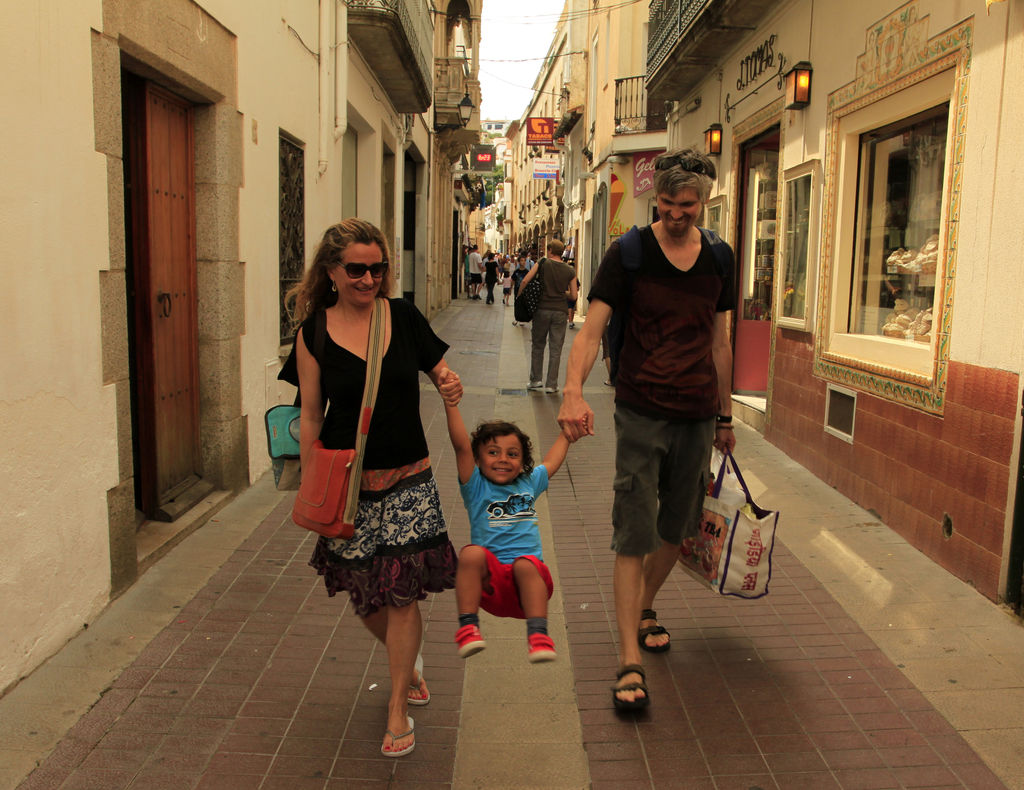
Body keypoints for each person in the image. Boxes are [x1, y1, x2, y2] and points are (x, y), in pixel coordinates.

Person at [556, 149, 737, 711]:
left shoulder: (720, 257)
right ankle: (628, 657)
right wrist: (571, 391)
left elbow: (721, 341)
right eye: (666, 204)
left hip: (698, 412)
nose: (677, 215)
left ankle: (645, 605)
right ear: (653, 199)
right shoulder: (628, 252)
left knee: (676, 529)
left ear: (703, 202)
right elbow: (590, 333)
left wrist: (726, 417)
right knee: (633, 529)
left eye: (688, 206)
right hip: (640, 407)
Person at [286, 219, 464, 757]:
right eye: (357, 269)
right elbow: (312, 416)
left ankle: (397, 706)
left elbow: (441, 373)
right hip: (348, 483)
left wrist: (450, 382)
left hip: (409, 475)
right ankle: (407, 662)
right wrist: (309, 479)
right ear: (332, 273)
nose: (368, 279)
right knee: (364, 594)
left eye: (377, 268)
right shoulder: (313, 333)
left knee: (403, 592)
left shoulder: (403, 317)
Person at [443, 403, 573, 662]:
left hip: (529, 587)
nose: (503, 459)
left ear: (523, 462)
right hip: (490, 585)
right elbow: (460, 446)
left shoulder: (528, 482)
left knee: (525, 564)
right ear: (477, 460)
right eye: (493, 452)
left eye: (513, 454)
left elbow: (550, 462)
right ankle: (468, 628)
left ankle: (539, 636)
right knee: (471, 554)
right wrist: (451, 404)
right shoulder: (475, 486)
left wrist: (567, 435)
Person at [519, 238, 578, 393]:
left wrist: (519, 296)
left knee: (538, 345)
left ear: (550, 250)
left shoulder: (543, 262)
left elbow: (525, 280)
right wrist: (561, 292)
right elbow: (573, 296)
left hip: (542, 310)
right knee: (556, 348)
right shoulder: (569, 270)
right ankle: (552, 384)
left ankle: (535, 380)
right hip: (560, 312)